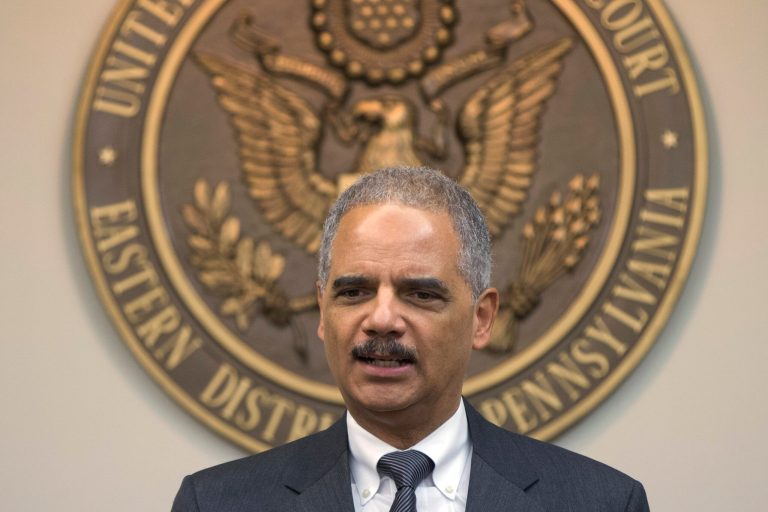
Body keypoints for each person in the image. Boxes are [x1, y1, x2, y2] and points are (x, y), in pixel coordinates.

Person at [172, 166, 649, 511]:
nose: (381, 319)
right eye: (354, 291)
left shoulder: (603, 502)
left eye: (420, 294)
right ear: (322, 311)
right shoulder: (215, 503)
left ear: (481, 318)